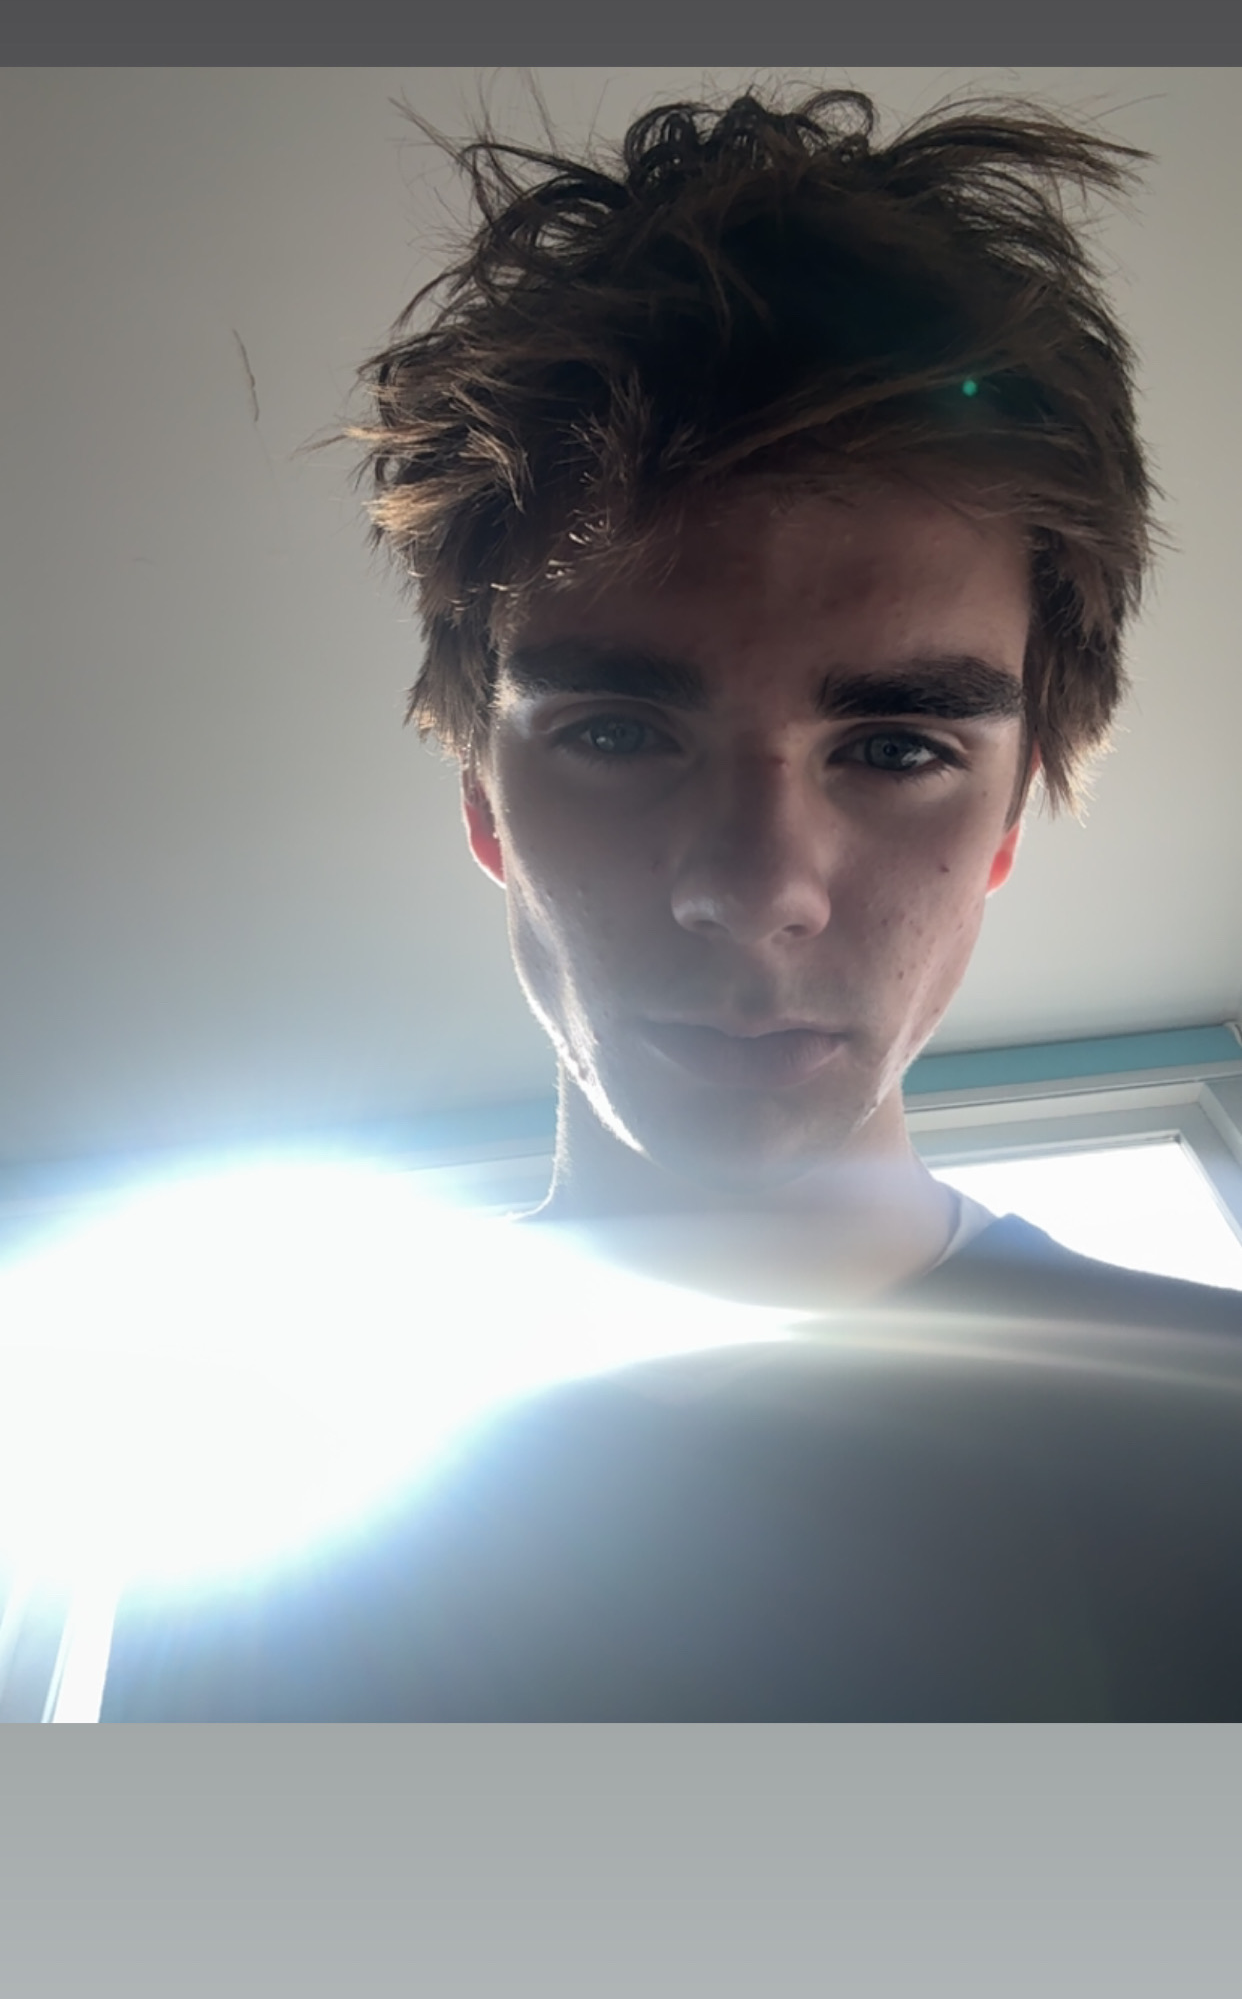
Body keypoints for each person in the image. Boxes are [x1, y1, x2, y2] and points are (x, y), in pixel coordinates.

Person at [101, 84, 1242, 1721]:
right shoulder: (256, 1509)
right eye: (619, 733)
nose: (754, 890)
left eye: (897, 746)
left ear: (1006, 820)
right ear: (484, 803)